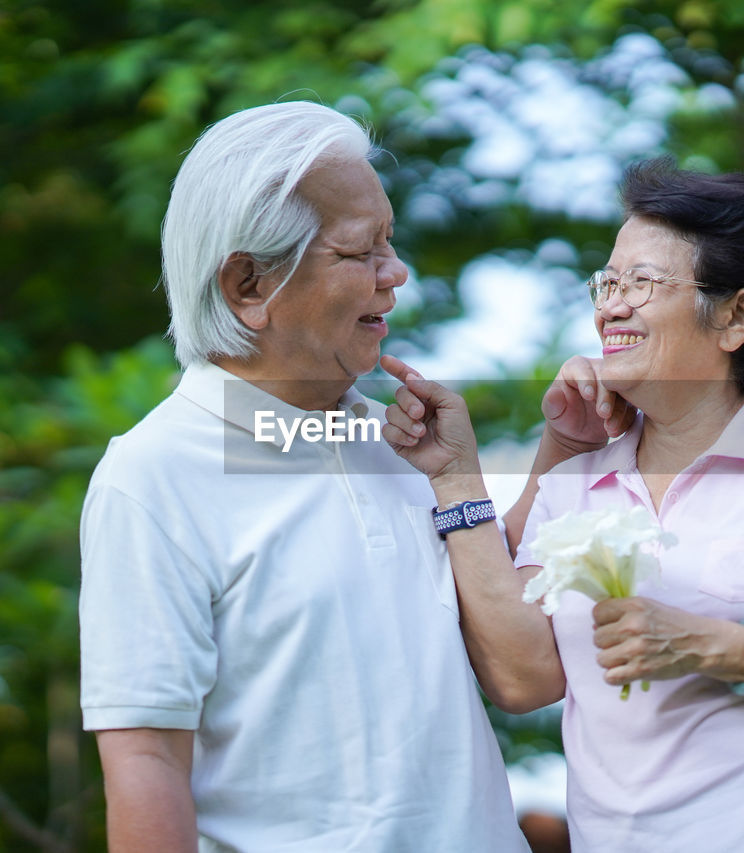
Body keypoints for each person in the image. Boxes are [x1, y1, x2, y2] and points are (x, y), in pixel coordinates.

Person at [382, 158, 744, 852]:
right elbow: (520, 675)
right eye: (609, 281)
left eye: (643, 283)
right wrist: (459, 477)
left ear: (737, 316)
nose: (610, 306)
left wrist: (716, 645)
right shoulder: (580, 470)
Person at [78, 102, 527, 852]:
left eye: (391, 241)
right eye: (361, 253)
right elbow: (146, 760)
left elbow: (522, 676)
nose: (397, 273)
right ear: (249, 285)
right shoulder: (151, 474)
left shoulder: (406, 443)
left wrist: (503, 473)